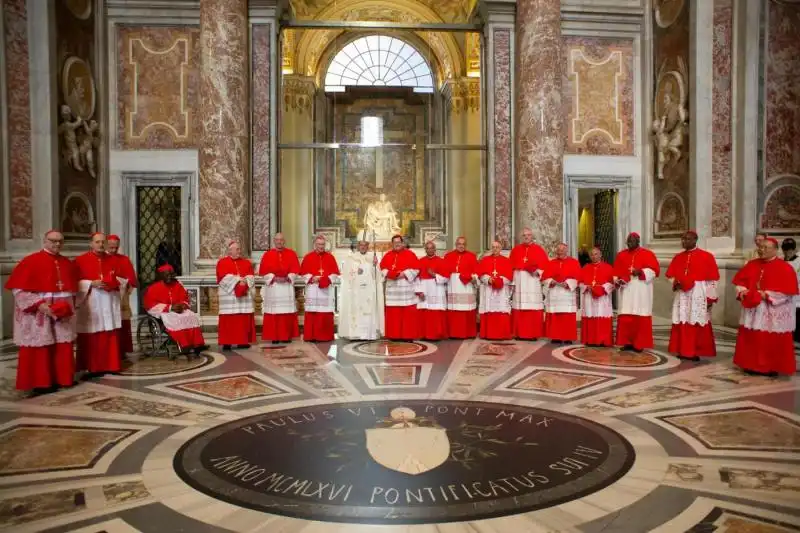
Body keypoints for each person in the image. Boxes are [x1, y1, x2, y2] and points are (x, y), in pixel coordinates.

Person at [4, 230, 77, 392]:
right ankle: (40, 382)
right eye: (53, 241)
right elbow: (19, 290)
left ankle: (61, 379)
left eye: (60, 241)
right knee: (40, 346)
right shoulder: (31, 261)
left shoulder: (66, 263)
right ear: (44, 241)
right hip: (38, 313)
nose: (57, 244)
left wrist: (66, 307)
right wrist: (41, 305)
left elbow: (72, 291)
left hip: (61, 313)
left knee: (61, 345)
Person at [732, 237, 798, 376]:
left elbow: (787, 293)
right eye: (760, 247)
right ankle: (750, 364)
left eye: (765, 248)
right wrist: (743, 291)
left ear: (775, 250)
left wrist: (766, 295)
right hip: (753, 308)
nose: (761, 250)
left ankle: (770, 367)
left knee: (769, 339)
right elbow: (740, 281)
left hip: (772, 311)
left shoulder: (785, 268)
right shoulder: (751, 264)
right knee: (752, 337)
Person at [74, 232, 124, 375]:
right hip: (92, 300)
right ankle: (93, 366)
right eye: (97, 242)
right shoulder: (80, 260)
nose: (101, 245)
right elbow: (74, 282)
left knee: (110, 332)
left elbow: (121, 279)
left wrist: (113, 283)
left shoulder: (113, 260)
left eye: (103, 242)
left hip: (109, 299)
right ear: (91, 244)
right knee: (93, 333)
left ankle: (111, 365)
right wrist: (90, 283)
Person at [666, 230, 720, 361]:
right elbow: (670, 275)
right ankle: (683, 350)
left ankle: (694, 351)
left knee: (696, 321)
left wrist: (710, 298)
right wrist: (675, 283)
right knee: (682, 319)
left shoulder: (707, 256)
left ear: (695, 240)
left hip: (698, 293)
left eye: (688, 239)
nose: (684, 241)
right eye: (683, 239)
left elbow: (712, 280)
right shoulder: (678, 257)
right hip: (682, 295)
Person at [143, 264, 208, 354]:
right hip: (164, 313)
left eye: (171, 274)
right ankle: (184, 345)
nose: (169, 277)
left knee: (191, 315)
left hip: (178, 310)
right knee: (175, 318)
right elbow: (150, 306)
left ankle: (197, 344)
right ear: (161, 276)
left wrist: (183, 305)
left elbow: (185, 298)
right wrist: (170, 307)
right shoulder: (153, 288)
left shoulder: (177, 285)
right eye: (166, 275)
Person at [613, 232, 660, 352]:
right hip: (627, 289)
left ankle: (639, 344)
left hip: (641, 289)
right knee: (626, 315)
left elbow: (654, 271)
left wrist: (640, 272)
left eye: (632, 241)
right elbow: (616, 273)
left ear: (638, 241)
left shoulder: (648, 254)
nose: (629, 243)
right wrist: (617, 280)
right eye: (628, 241)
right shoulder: (621, 255)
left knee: (640, 315)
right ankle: (627, 342)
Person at [258, 233, 301, 343]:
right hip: (274, 287)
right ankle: (274, 337)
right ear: (274, 241)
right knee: (274, 314)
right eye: (277, 240)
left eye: (281, 240)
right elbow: (263, 271)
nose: (279, 242)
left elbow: (296, 269)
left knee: (286, 313)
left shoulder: (291, 254)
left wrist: (288, 277)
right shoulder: (267, 255)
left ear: (284, 241)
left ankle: (285, 336)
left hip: (286, 287)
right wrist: (274, 277)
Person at [216, 240, 256, 350]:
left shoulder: (246, 263)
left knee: (242, 318)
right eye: (237, 249)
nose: (239, 251)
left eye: (239, 249)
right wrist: (238, 280)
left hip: (243, 296)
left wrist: (245, 281)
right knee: (229, 320)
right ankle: (227, 342)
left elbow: (251, 276)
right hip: (229, 296)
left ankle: (242, 342)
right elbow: (222, 278)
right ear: (230, 251)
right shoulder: (222, 262)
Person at [339, 240, 383, 340]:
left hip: (368, 291)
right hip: (355, 292)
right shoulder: (351, 258)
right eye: (361, 245)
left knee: (368, 311)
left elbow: (377, 276)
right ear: (358, 246)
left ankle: (368, 335)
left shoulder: (372, 258)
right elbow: (345, 274)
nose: (363, 247)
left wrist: (375, 265)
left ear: (368, 247)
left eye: (365, 245)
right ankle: (356, 334)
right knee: (356, 312)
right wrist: (355, 271)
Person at [299, 236, 340, 342]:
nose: (321, 247)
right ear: (315, 245)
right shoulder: (308, 257)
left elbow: (335, 273)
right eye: (319, 244)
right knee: (313, 313)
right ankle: (312, 336)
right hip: (313, 289)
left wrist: (325, 279)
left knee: (324, 314)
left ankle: (325, 336)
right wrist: (312, 278)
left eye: (322, 244)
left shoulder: (330, 257)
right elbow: (303, 273)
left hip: (325, 290)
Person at [510, 228, 548, 340]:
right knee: (520, 307)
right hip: (520, 282)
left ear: (532, 236)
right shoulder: (516, 250)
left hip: (532, 282)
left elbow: (545, 267)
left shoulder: (539, 250)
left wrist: (537, 271)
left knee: (532, 308)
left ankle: (532, 334)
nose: (526, 237)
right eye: (524, 235)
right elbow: (511, 267)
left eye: (528, 235)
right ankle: (519, 333)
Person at [380, 235, 420, 340]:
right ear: (392, 244)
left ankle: (408, 336)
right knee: (394, 313)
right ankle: (394, 335)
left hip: (406, 289)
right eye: (394, 243)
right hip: (393, 289)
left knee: (407, 313)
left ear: (402, 243)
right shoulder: (387, 255)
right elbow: (382, 269)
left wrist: (403, 274)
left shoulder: (410, 254)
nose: (397, 244)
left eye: (399, 242)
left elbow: (416, 269)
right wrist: (392, 274)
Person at [542, 243, 581, 344]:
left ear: (566, 250)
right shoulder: (551, 263)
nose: (560, 251)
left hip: (567, 293)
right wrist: (551, 281)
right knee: (555, 315)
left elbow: (578, 278)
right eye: (558, 249)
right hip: (555, 292)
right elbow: (544, 278)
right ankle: (556, 337)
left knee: (567, 316)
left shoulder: (574, 262)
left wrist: (568, 283)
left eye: (562, 249)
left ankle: (567, 337)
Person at [106, 234, 137, 355]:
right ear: (106, 245)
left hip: (122, 295)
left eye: (116, 248)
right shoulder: (103, 259)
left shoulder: (124, 259)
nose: (114, 250)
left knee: (123, 322)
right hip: (108, 296)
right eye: (111, 247)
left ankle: (122, 349)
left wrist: (127, 284)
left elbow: (131, 278)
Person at [442, 237, 478, 339]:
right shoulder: (448, 256)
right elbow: (444, 272)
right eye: (459, 244)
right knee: (455, 310)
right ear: (455, 244)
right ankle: (454, 333)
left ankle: (468, 333)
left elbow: (476, 272)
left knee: (466, 309)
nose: (461, 246)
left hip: (466, 287)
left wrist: (473, 278)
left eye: (463, 244)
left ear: (466, 245)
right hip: (453, 285)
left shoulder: (471, 256)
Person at [477, 241, 513, 339]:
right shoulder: (485, 260)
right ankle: (488, 334)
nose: (495, 249)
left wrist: (499, 281)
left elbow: (509, 276)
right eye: (493, 247)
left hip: (501, 292)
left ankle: (502, 334)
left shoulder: (506, 260)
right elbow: (480, 274)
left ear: (500, 248)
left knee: (501, 309)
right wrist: (488, 279)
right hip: (488, 290)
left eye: (497, 247)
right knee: (489, 309)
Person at [579, 246, 614, 347]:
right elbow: (580, 283)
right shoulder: (585, 268)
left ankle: (603, 340)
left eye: (596, 254)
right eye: (591, 255)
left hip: (602, 298)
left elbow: (612, 283)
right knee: (590, 316)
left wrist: (602, 289)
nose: (594, 256)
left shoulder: (608, 267)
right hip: (589, 298)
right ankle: (590, 340)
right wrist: (587, 287)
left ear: (600, 255)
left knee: (602, 316)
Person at [415, 241, 449, 340]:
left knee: (436, 313)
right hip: (424, 290)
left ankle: (436, 335)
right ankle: (424, 334)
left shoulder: (441, 261)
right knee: (425, 312)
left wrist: (434, 275)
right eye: (428, 248)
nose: (430, 250)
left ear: (435, 249)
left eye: (432, 248)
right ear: (425, 250)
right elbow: (416, 279)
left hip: (437, 289)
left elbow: (446, 278)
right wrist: (419, 292)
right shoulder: (420, 261)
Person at [781, 238, 800, 343]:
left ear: (794, 249)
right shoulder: (780, 261)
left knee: (797, 317)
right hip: (782, 295)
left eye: (790, 249)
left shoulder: (799, 261)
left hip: (797, 294)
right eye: (785, 249)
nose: (788, 252)